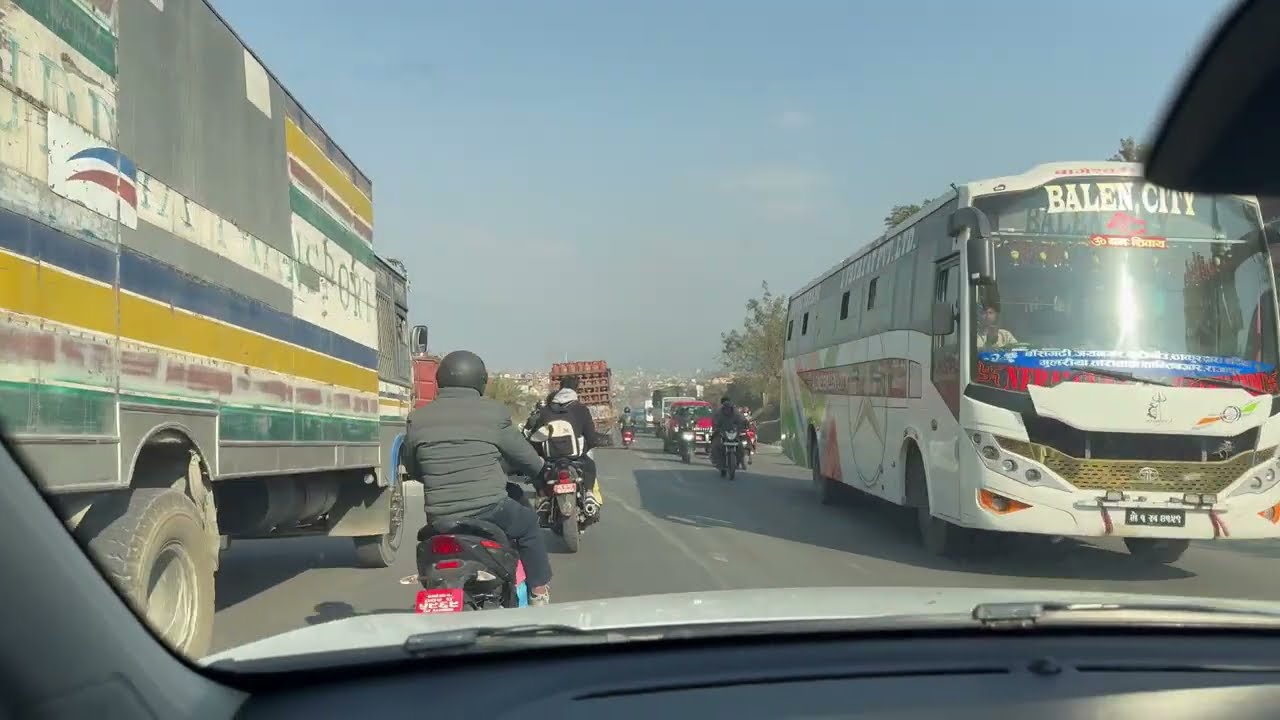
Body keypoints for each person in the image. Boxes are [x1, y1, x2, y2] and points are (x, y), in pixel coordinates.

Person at [403, 350, 553, 606]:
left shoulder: (417, 418)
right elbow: (527, 459)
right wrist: (541, 474)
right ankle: (538, 592)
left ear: (440, 380)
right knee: (528, 525)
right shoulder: (493, 414)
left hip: (439, 517)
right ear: (480, 381)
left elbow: (414, 469)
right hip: (489, 510)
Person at [531, 384, 599, 496]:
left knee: (535, 470)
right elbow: (591, 439)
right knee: (590, 465)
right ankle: (589, 494)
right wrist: (586, 447)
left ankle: (542, 496)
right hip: (574, 457)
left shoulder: (544, 413)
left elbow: (535, 439)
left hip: (551, 458)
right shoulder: (579, 411)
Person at [709, 396, 747, 468]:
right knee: (715, 445)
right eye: (726, 408)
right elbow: (714, 421)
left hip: (733, 433)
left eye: (729, 408)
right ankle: (716, 460)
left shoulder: (735, 413)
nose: (727, 410)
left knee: (741, 446)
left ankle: (740, 460)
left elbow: (741, 420)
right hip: (721, 433)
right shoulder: (718, 412)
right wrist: (716, 428)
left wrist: (742, 426)